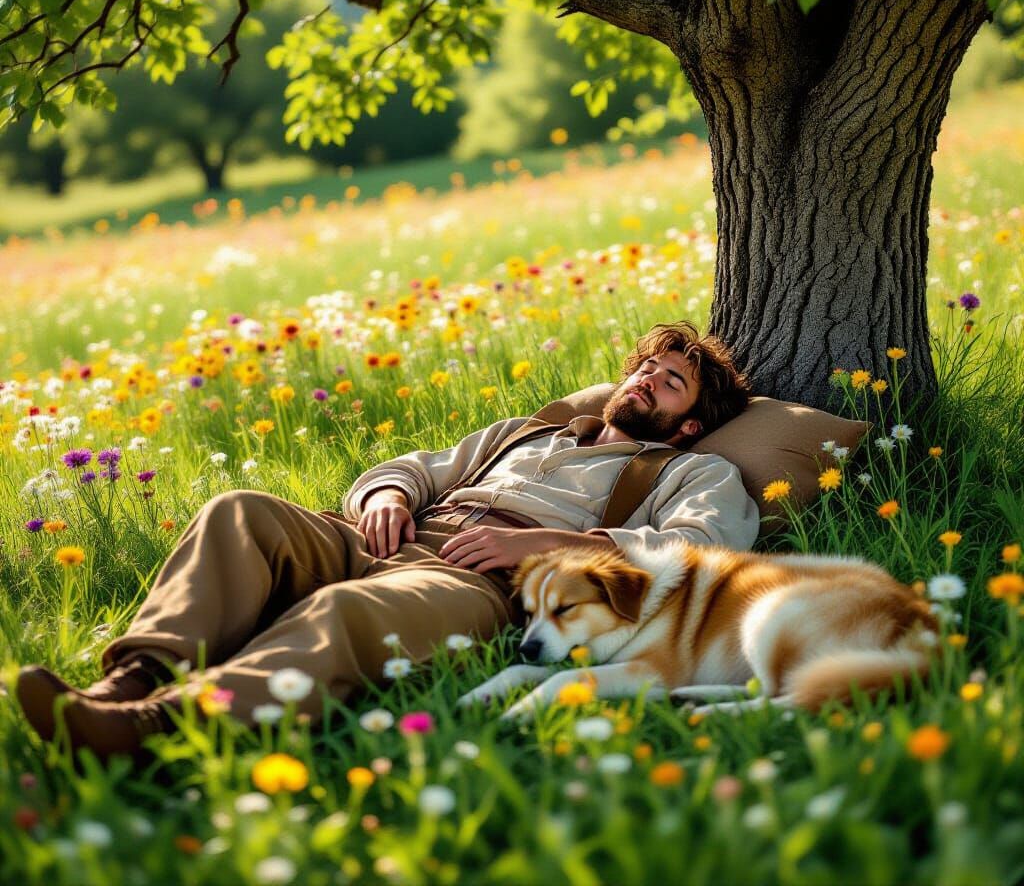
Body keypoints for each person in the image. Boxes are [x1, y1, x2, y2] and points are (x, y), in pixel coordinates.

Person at [16, 321, 760, 760]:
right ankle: (133, 679)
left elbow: (695, 548)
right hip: (386, 537)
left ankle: (152, 729)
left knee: (344, 611)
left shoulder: (693, 470)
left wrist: (543, 550)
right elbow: (419, 466)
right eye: (646, 369)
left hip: (478, 580)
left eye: (670, 384)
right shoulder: (528, 432)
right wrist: (386, 495)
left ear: (689, 424)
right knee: (238, 510)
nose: (646, 381)